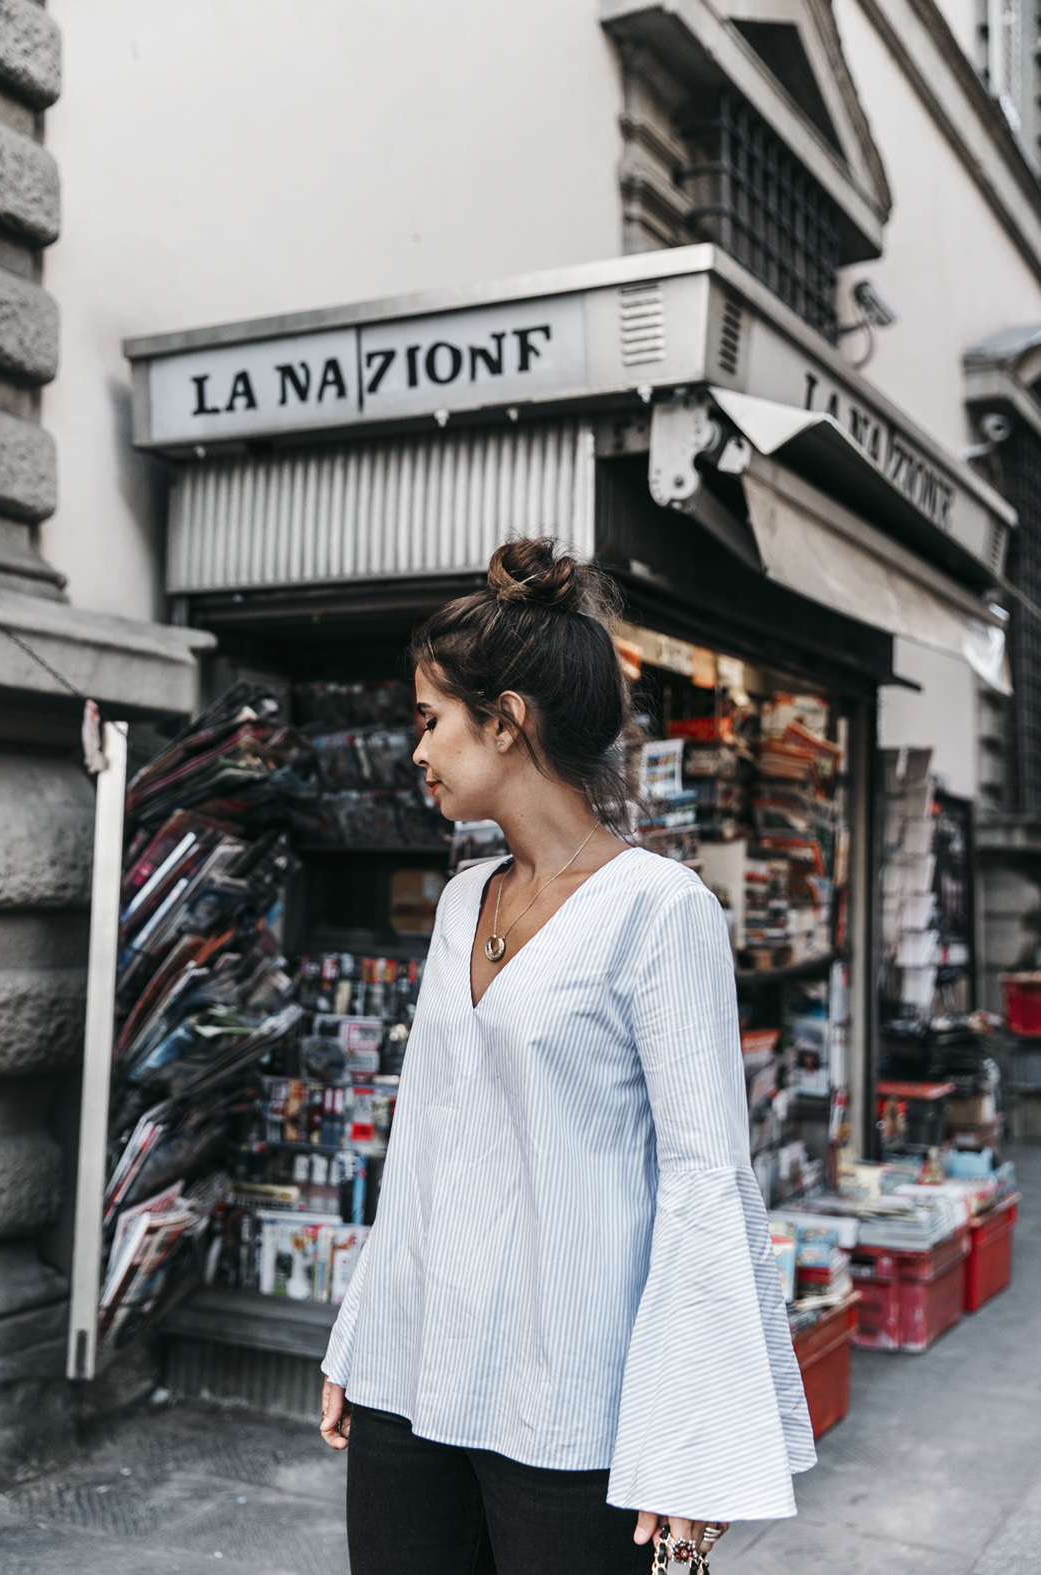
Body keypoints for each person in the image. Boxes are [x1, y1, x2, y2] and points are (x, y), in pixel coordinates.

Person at [320, 537, 815, 1574]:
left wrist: (689, 1447)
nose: (416, 749)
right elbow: (422, 1142)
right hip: (412, 1381)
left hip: (571, 1407)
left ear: (507, 720)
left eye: (430, 719)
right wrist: (359, 1339)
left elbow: (703, 1180)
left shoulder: (660, 910)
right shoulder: (462, 900)